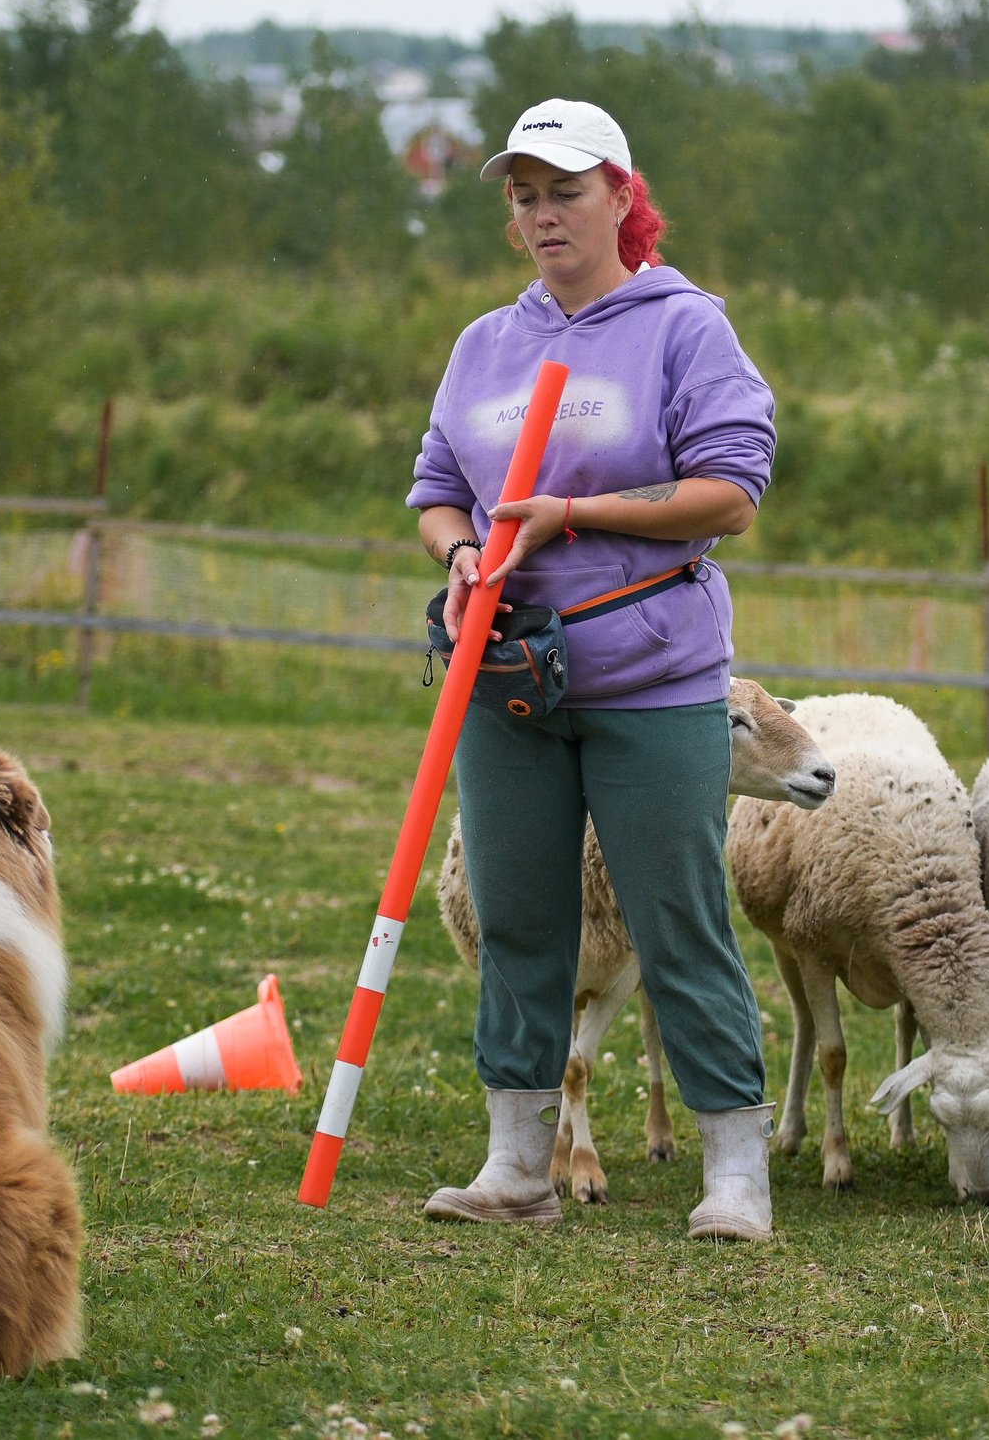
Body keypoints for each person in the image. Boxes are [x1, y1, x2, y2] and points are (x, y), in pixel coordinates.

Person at [409, 98, 778, 1240]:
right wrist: (465, 549)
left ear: (623, 194)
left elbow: (732, 494)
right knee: (518, 917)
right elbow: (435, 486)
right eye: (522, 196)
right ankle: (515, 1169)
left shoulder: (686, 329)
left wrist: (572, 511)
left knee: (677, 917)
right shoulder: (486, 344)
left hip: (653, 679)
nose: (540, 215)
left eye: (564, 190)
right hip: (508, 675)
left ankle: (735, 1178)